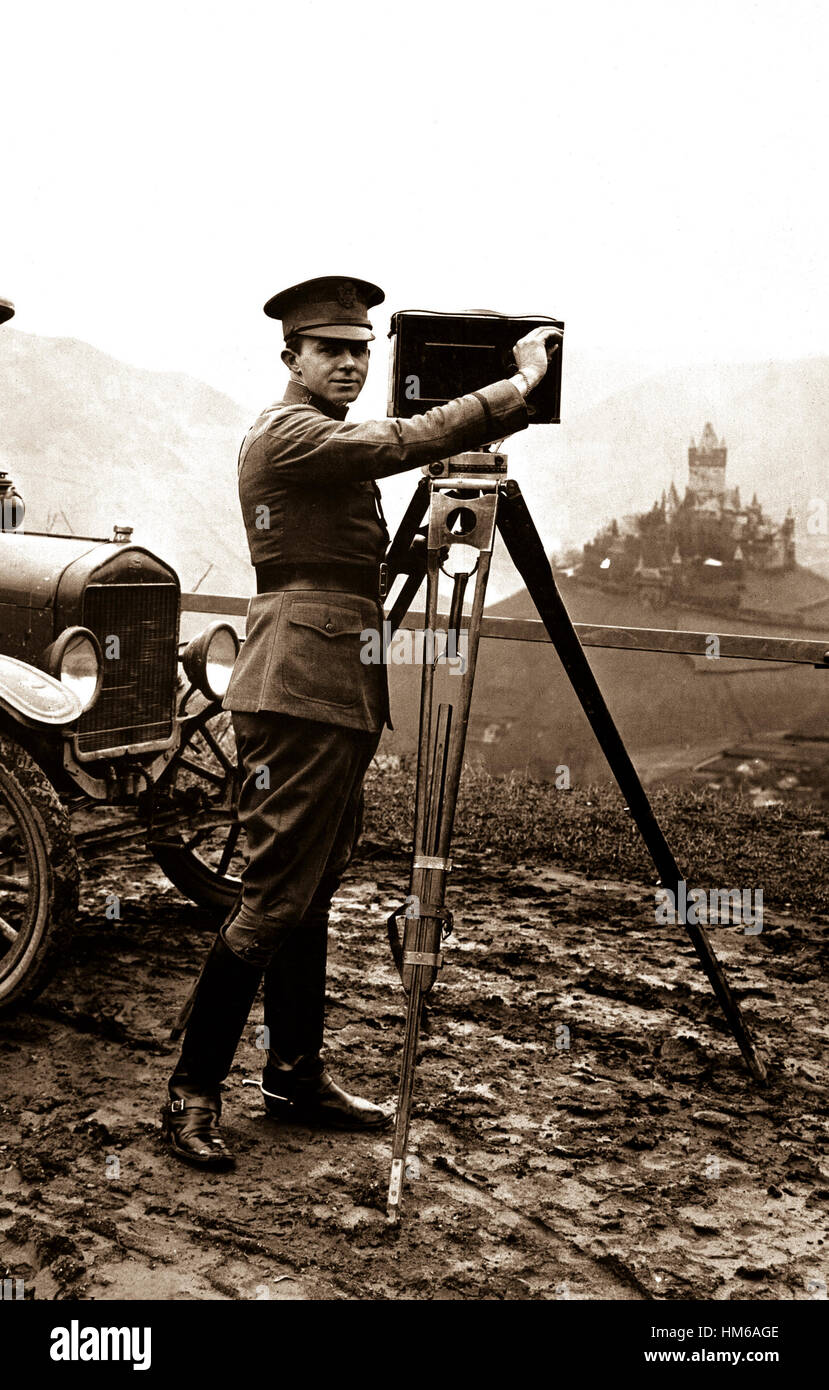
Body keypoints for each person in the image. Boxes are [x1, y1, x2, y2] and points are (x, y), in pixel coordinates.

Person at [161, 276, 560, 1168]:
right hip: (299, 680)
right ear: (291, 359)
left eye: (359, 349)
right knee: (271, 897)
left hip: (333, 679)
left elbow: (357, 544)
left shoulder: (324, 440)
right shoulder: (290, 432)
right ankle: (191, 1092)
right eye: (330, 349)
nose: (348, 362)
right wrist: (516, 388)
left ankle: (293, 1074)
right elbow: (404, 438)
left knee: (308, 890)